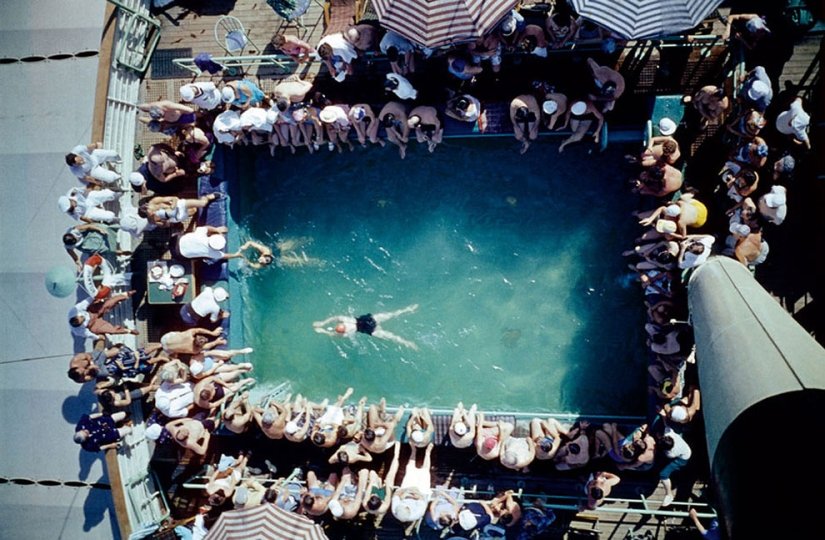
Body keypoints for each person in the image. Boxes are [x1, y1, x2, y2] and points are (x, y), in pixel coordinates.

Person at [313, 303, 419, 350]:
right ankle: (408, 310)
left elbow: (332, 334)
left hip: (368, 328)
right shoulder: (345, 320)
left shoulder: (345, 334)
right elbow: (335, 318)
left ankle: (408, 343)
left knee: (390, 336)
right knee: (391, 316)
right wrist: (322, 323)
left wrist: (322, 329)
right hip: (368, 321)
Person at [68, 291, 139, 340]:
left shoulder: (75, 310)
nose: (82, 318)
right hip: (93, 324)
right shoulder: (78, 331)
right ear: (80, 325)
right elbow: (89, 334)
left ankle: (125, 294)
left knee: (108, 303)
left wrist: (96, 296)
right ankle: (128, 331)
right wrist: (98, 337)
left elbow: (86, 302)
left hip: (91, 311)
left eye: (81, 317)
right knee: (112, 330)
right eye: (82, 321)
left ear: (76, 315)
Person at [391, 443, 433, 523]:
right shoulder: (418, 513)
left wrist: (407, 491)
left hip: (406, 491)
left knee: (410, 469)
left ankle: (413, 451)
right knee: (425, 472)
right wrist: (412, 494)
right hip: (421, 493)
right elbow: (422, 498)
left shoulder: (395, 510)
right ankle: (428, 453)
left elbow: (396, 494)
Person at [638, 193, 708, 240]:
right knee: (682, 197)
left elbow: (683, 236)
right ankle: (692, 192)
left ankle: (694, 192)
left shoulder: (681, 222)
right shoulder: (680, 203)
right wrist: (650, 219)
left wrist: (672, 234)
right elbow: (663, 207)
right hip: (697, 208)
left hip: (699, 220)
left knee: (669, 236)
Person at [63, 223, 127, 271]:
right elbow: (75, 258)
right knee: (109, 250)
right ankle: (126, 253)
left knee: (107, 229)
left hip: (89, 235)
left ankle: (124, 227)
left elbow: (89, 226)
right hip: (87, 246)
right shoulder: (68, 247)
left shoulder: (75, 230)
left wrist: (100, 230)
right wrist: (79, 265)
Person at [363, 442, 401, 520]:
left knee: (372, 473)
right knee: (390, 476)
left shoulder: (365, 504)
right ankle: (397, 452)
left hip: (375, 491)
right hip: (384, 494)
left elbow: (368, 491)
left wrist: (372, 481)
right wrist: (386, 484)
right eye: (376, 496)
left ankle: (378, 454)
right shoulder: (384, 506)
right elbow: (388, 494)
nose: (376, 495)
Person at [139, 193, 222, 227]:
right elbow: (167, 225)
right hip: (177, 217)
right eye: (149, 215)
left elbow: (174, 198)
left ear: (147, 206)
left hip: (179, 206)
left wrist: (172, 206)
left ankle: (208, 197)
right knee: (194, 211)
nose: (152, 213)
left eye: (150, 212)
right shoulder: (151, 220)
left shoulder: (155, 201)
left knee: (202, 204)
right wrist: (165, 221)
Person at [658, 425, 692, 506]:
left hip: (683, 459)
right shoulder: (669, 433)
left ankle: (669, 494)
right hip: (685, 449)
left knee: (663, 474)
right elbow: (666, 426)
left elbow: (666, 454)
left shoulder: (671, 453)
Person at [178, 226, 242, 264]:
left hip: (177, 239)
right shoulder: (211, 253)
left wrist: (217, 229)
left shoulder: (201, 234)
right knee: (199, 259)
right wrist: (236, 255)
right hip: (179, 254)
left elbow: (206, 228)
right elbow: (224, 256)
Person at [159, 327, 224, 356]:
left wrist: (212, 333)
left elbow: (198, 330)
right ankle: (174, 352)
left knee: (179, 334)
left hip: (165, 339)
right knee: (176, 352)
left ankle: (161, 345)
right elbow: (206, 347)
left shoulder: (189, 333)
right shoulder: (194, 350)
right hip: (167, 349)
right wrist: (216, 342)